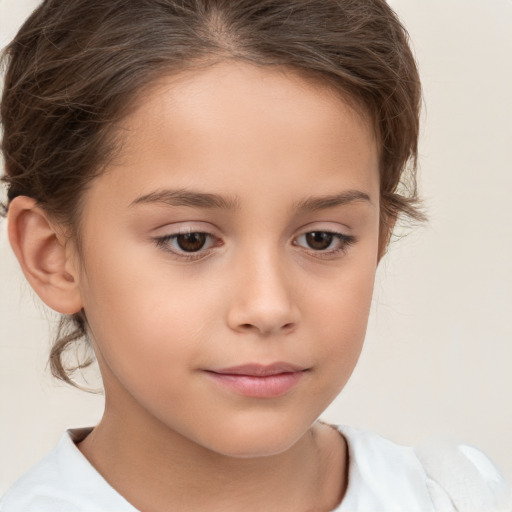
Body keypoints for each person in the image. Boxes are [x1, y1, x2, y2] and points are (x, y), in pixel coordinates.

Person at [0, 0, 510, 510]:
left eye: (321, 239)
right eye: (190, 240)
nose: (268, 308)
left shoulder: (457, 497)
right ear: (53, 256)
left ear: (378, 239)